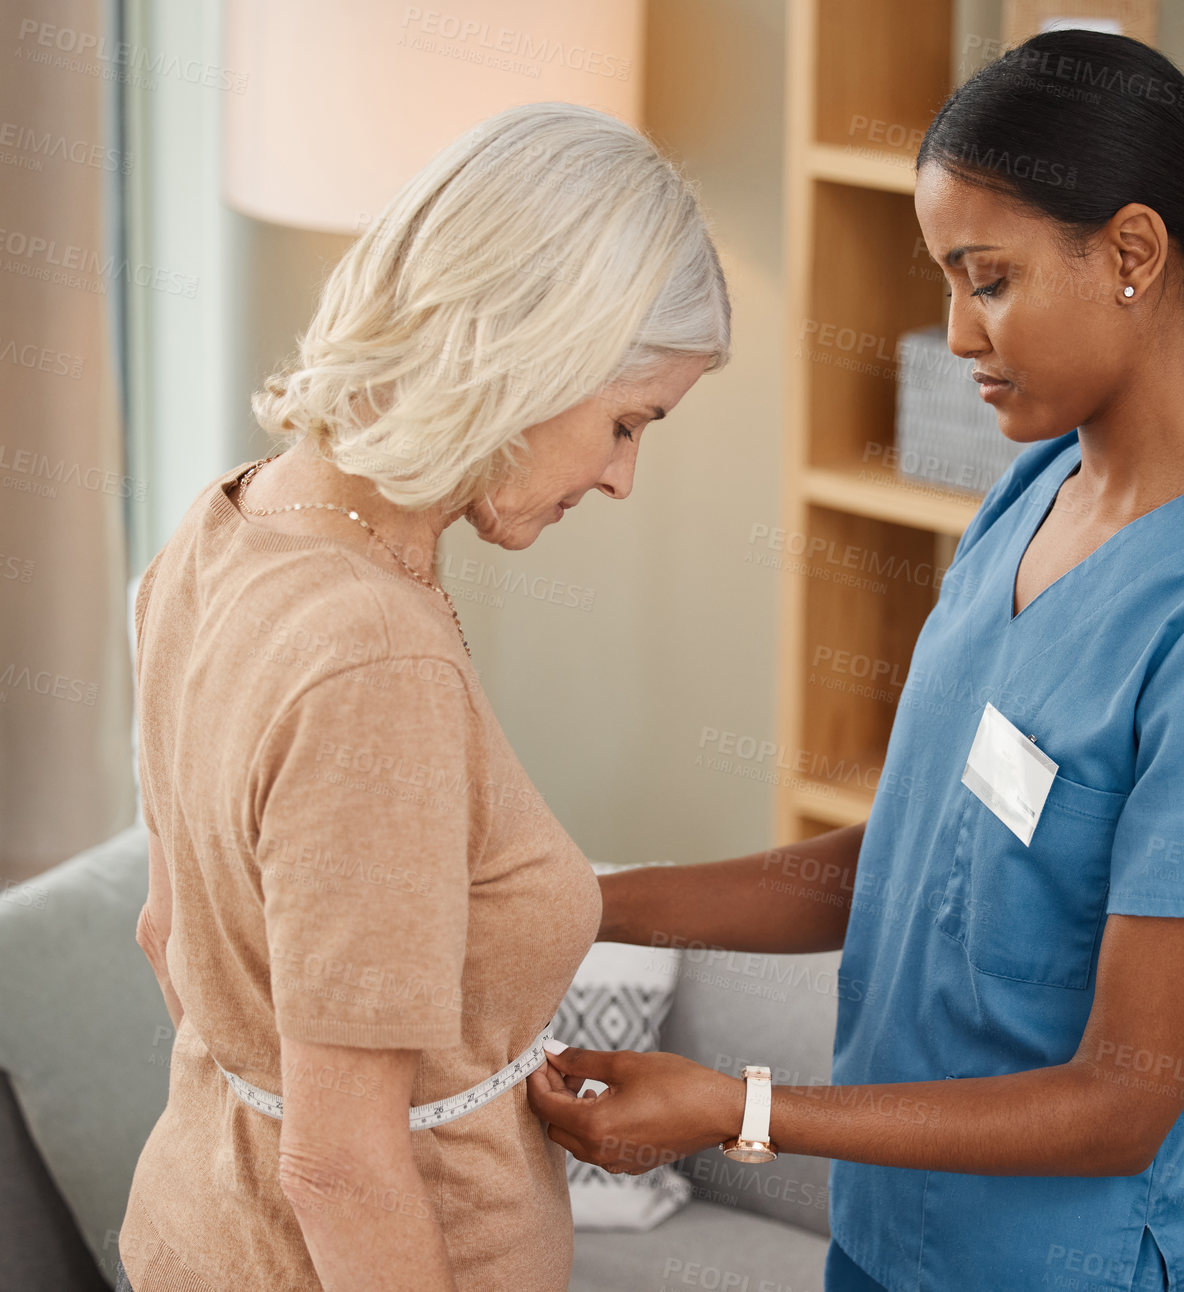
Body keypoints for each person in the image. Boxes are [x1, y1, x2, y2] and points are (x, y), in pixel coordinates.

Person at [530, 30, 1184, 1292]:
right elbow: (900, 864)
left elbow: (1119, 1104)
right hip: (894, 1236)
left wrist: (738, 1108)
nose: (958, 332)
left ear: (1133, 252)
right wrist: (574, 905)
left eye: (987, 279)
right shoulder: (1038, 488)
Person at [118, 102, 730, 1292]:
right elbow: (341, 1166)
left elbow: (169, 932)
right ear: (531, 348)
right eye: (624, 422)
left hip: (199, 1221)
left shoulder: (226, 526)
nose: (620, 477)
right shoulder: (373, 658)